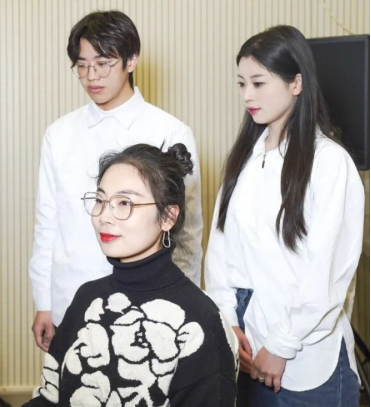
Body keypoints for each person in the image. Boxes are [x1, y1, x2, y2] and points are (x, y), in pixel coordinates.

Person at [205, 25, 364, 406]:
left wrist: (280, 344)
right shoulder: (244, 159)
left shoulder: (329, 162)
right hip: (246, 343)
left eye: (259, 83)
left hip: (306, 356)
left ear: (296, 83)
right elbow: (220, 250)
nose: (247, 95)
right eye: (241, 84)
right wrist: (228, 322)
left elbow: (326, 271)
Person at [29, 10, 203, 352]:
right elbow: (47, 223)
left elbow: (187, 233)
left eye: (103, 63)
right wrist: (43, 301)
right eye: (82, 66)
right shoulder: (59, 134)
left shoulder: (170, 131)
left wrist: (183, 303)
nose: (91, 76)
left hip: (147, 307)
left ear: (131, 60)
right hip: (69, 299)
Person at [24, 143, 238, 406]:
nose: (104, 216)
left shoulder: (201, 323)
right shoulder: (87, 298)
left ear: (168, 217)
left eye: (124, 202)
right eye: (100, 201)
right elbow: (49, 397)